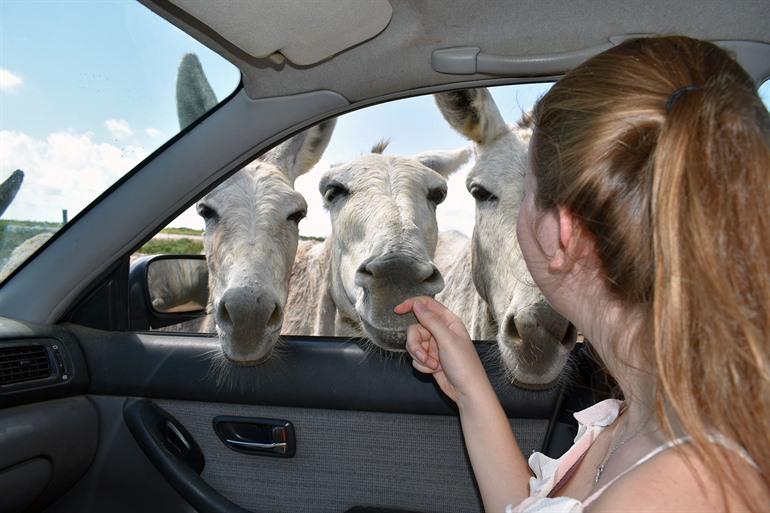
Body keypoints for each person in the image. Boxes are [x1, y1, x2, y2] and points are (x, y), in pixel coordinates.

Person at [395, 36, 769, 512]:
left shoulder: (675, 492)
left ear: (559, 232)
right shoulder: (646, 410)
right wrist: (472, 390)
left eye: (527, 192)